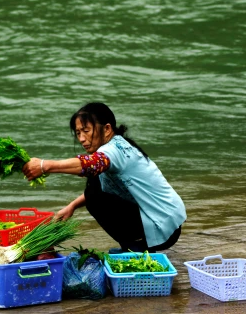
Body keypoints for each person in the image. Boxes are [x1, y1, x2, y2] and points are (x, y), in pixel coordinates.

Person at [22, 102, 186, 252]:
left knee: (94, 193)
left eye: (86, 131)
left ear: (107, 129)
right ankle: (134, 244)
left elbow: (90, 166)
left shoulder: (115, 150)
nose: (81, 139)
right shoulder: (112, 147)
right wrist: (71, 206)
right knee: (94, 184)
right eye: (78, 133)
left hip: (163, 225)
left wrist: (45, 166)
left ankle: (136, 247)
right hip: (164, 220)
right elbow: (99, 183)